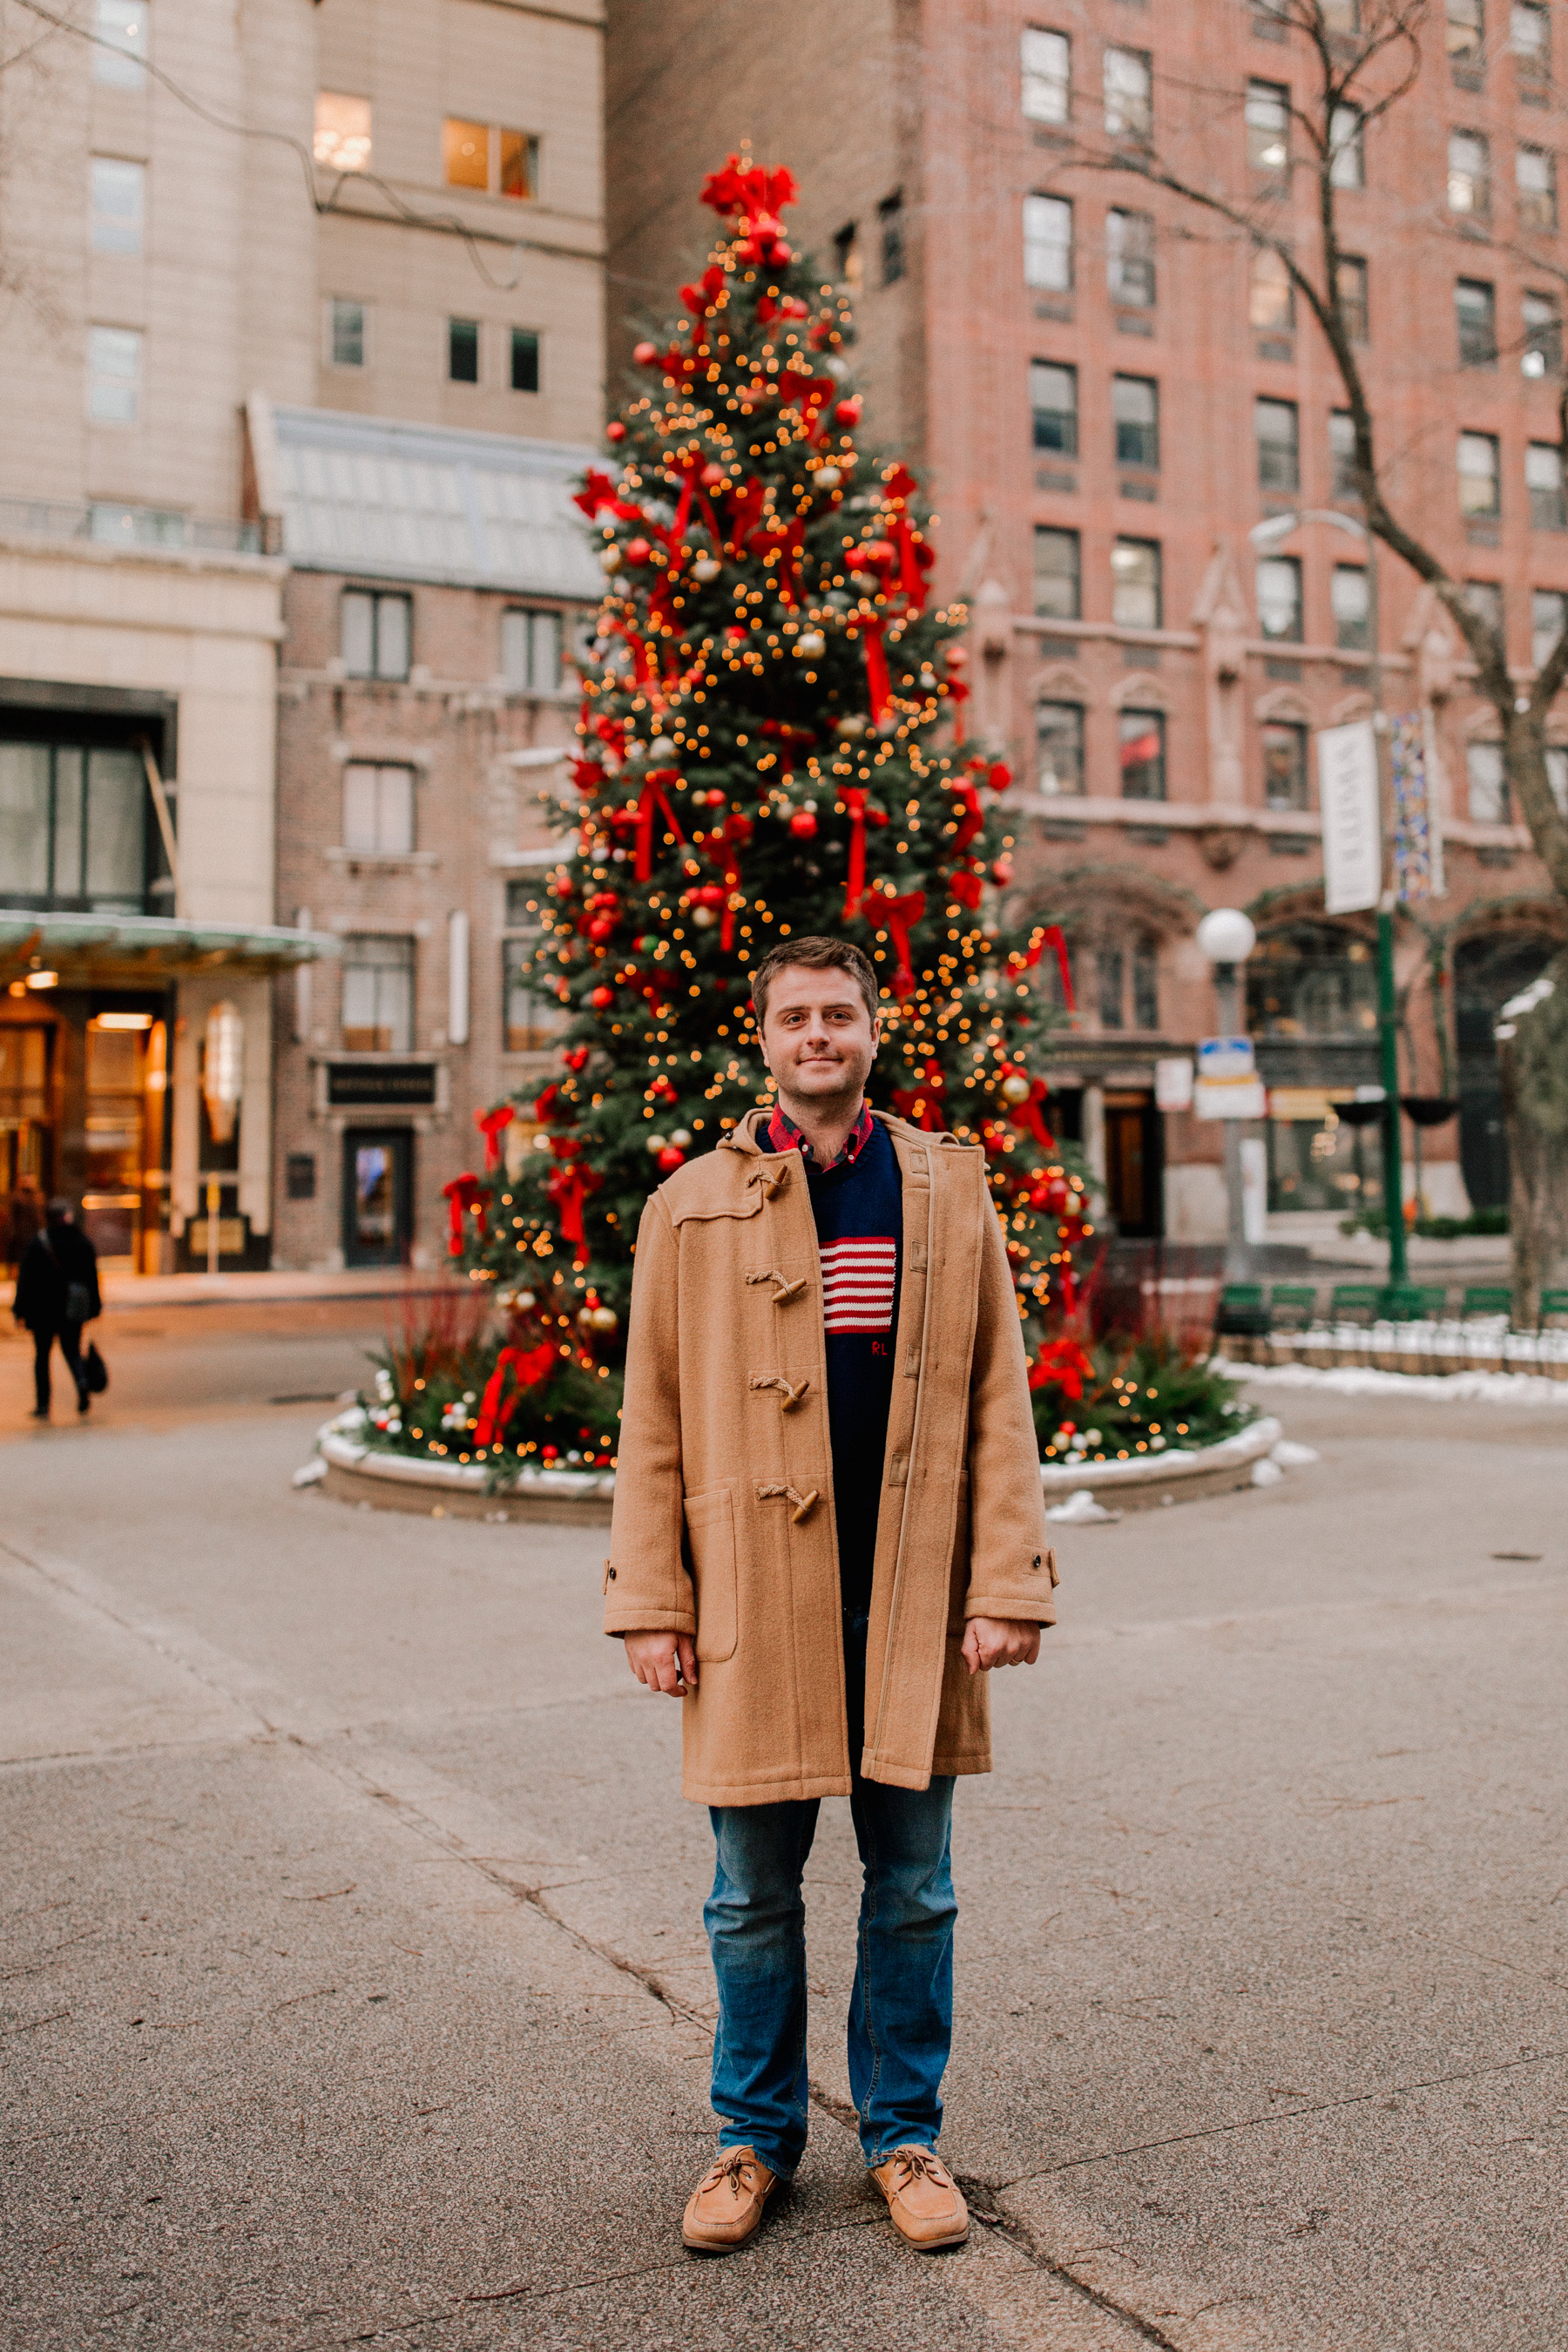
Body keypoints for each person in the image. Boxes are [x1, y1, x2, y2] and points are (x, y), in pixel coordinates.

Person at [605, 936, 1057, 2256]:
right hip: (753, 1593)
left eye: (840, 1015)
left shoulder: (946, 1190)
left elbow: (997, 1403)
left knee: (913, 1886)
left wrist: (1007, 1583)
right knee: (750, 1891)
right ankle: (752, 2141)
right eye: (794, 1017)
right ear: (762, 1040)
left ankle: (905, 2137)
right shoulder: (689, 1206)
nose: (819, 1035)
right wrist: (652, 1600)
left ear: (874, 1031)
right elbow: (653, 1417)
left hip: (911, 1595)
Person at [13, 1197, 101, 1420]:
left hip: (42, 1309)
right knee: (71, 1350)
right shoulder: (82, 1241)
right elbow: (92, 1278)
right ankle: (82, 1384)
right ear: (67, 1216)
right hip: (72, 1308)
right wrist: (95, 1306)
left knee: (42, 1356)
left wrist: (19, 1309)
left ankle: (43, 1405)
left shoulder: (39, 1242)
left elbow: (25, 1279)